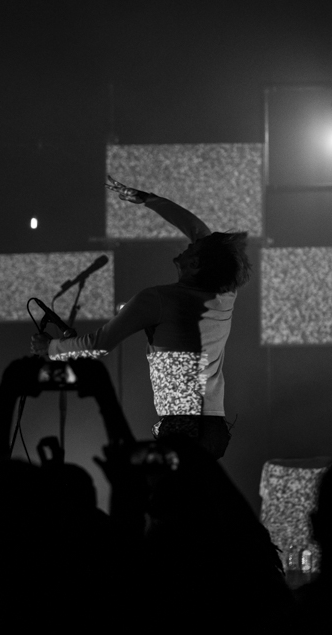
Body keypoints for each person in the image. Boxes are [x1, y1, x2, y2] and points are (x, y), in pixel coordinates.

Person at [29, 175, 251, 459]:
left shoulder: (158, 299)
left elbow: (99, 343)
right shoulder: (225, 293)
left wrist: (49, 348)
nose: (188, 244)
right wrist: (147, 199)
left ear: (196, 263)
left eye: (192, 248)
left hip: (182, 425)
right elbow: (199, 232)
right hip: (215, 425)